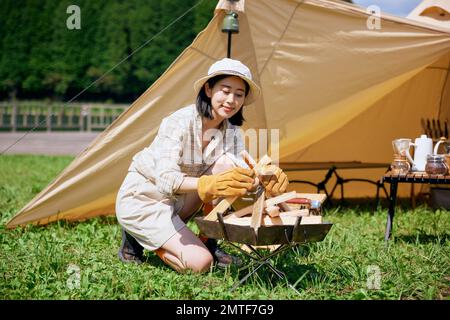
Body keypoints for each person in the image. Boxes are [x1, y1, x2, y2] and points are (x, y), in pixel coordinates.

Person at [115, 58, 289, 273]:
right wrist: (209, 184)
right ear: (208, 89)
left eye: (238, 94)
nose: (231, 100)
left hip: (179, 202)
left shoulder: (232, 131)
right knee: (200, 264)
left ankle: (208, 241)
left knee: (229, 168)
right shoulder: (179, 121)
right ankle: (137, 237)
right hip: (145, 199)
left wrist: (266, 179)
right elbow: (164, 180)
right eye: (225, 90)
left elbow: (241, 173)